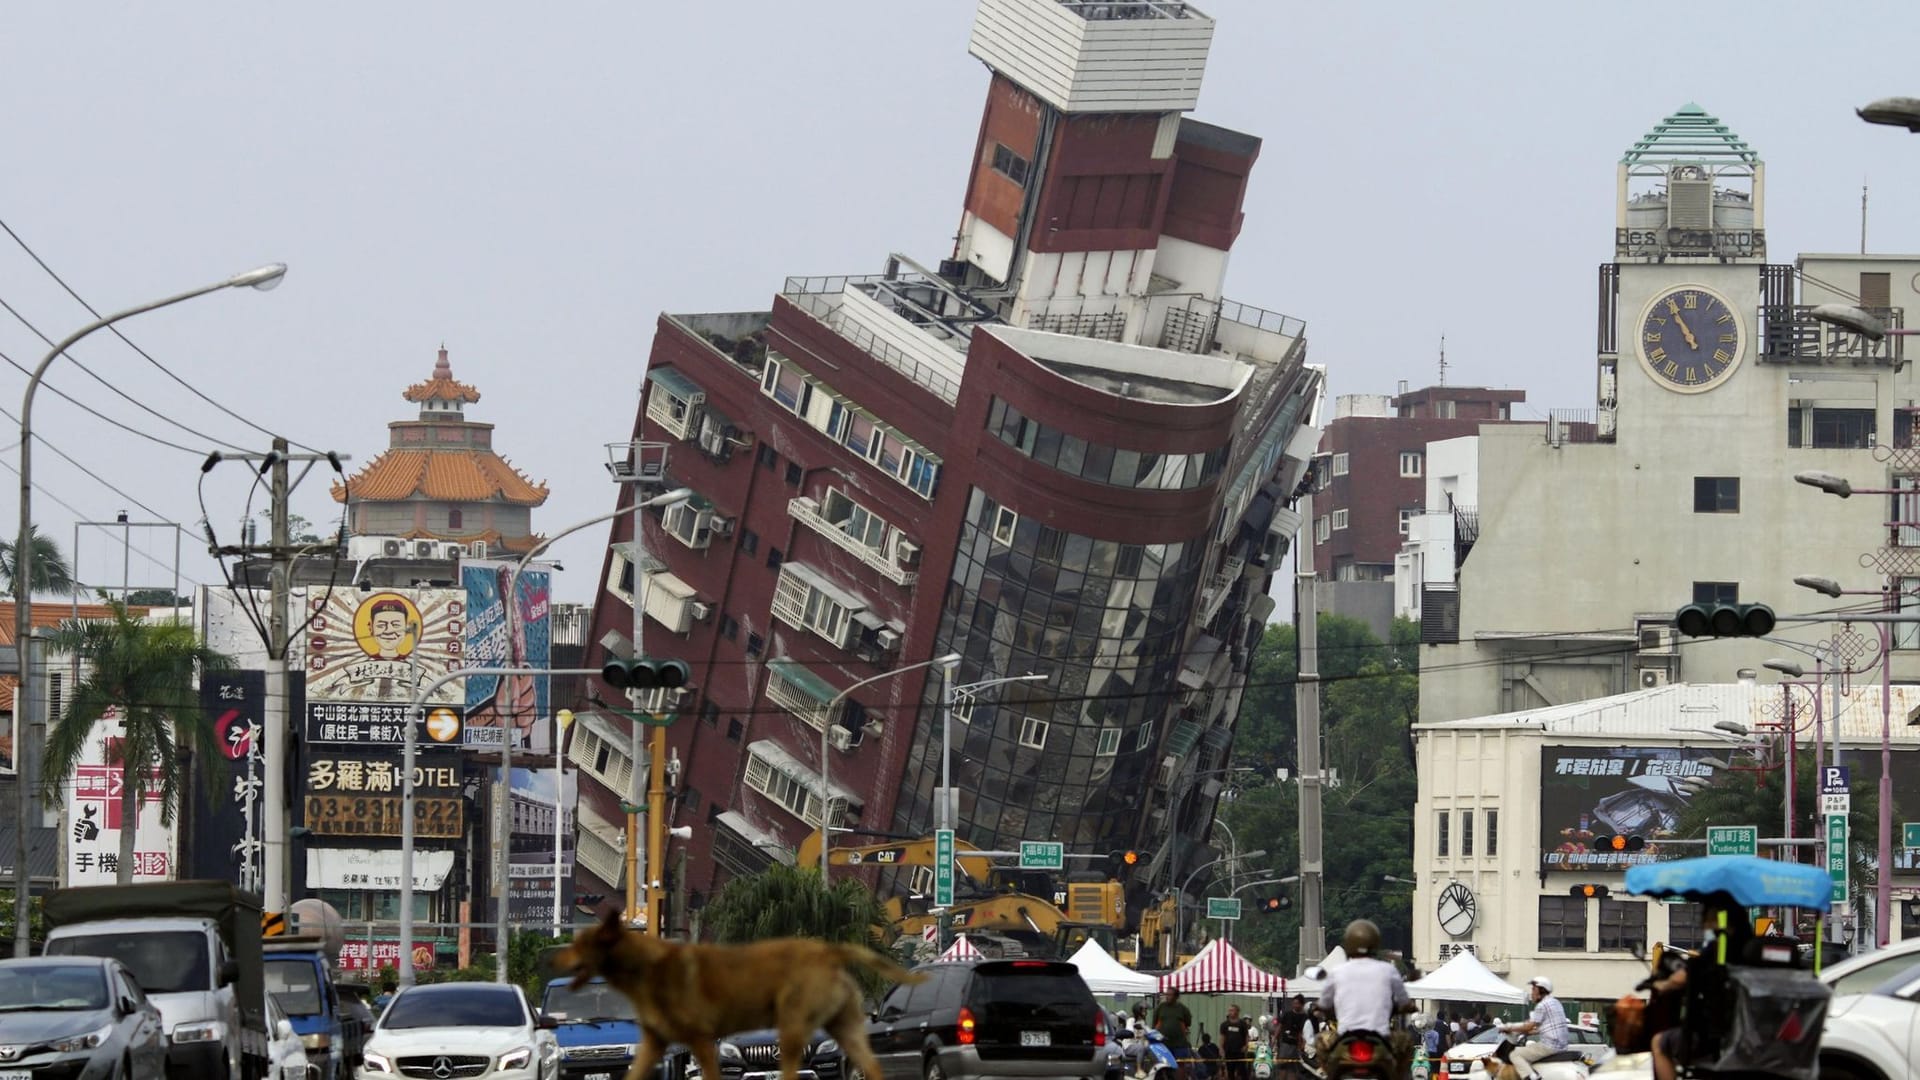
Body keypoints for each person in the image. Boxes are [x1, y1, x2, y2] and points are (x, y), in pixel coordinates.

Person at [1649, 898, 1757, 1080]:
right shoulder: (1756, 949)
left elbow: (1682, 978)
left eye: (1708, 920)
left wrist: (1662, 985)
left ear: (1721, 921)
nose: (1705, 926)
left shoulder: (1719, 950)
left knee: (1659, 1042)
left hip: (1716, 1037)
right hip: (1759, 1037)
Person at [1318, 920, 1415, 1073]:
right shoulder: (1388, 970)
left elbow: (1323, 1003)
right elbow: (1404, 1001)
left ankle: (1329, 1075)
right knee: (1407, 1042)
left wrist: (1320, 1008)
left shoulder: (1337, 971)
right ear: (1375, 943)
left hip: (1345, 1039)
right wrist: (1408, 1006)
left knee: (1320, 1040)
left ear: (1349, 943)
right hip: (1381, 1039)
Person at [1500, 976, 1570, 1080]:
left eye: (1533, 989)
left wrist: (1509, 1027)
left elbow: (1528, 1025)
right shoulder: (1555, 1002)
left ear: (1541, 990)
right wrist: (1529, 1032)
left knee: (1515, 1054)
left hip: (1550, 1045)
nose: (1531, 993)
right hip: (1562, 1046)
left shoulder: (1542, 1005)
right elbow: (1542, 1027)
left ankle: (1532, 1077)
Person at [1154, 987, 1196, 1079]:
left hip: (1179, 1044)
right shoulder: (1161, 1007)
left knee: (1180, 1065)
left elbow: (1188, 1022)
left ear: (1176, 996)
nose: (1167, 997)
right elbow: (1155, 1022)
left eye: (1170, 995)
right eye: (1166, 994)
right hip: (1163, 1044)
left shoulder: (1182, 1009)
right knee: (1163, 1066)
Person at [1220, 1003, 1253, 1080]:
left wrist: (1246, 1046)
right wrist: (1221, 1048)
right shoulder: (1224, 1024)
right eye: (1229, 1010)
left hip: (1239, 1051)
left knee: (1242, 1072)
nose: (1230, 1012)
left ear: (1237, 1012)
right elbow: (1222, 1037)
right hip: (1229, 1051)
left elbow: (1246, 1036)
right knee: (1230, 1071)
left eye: (1232, 1010)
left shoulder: (1242, 1024)